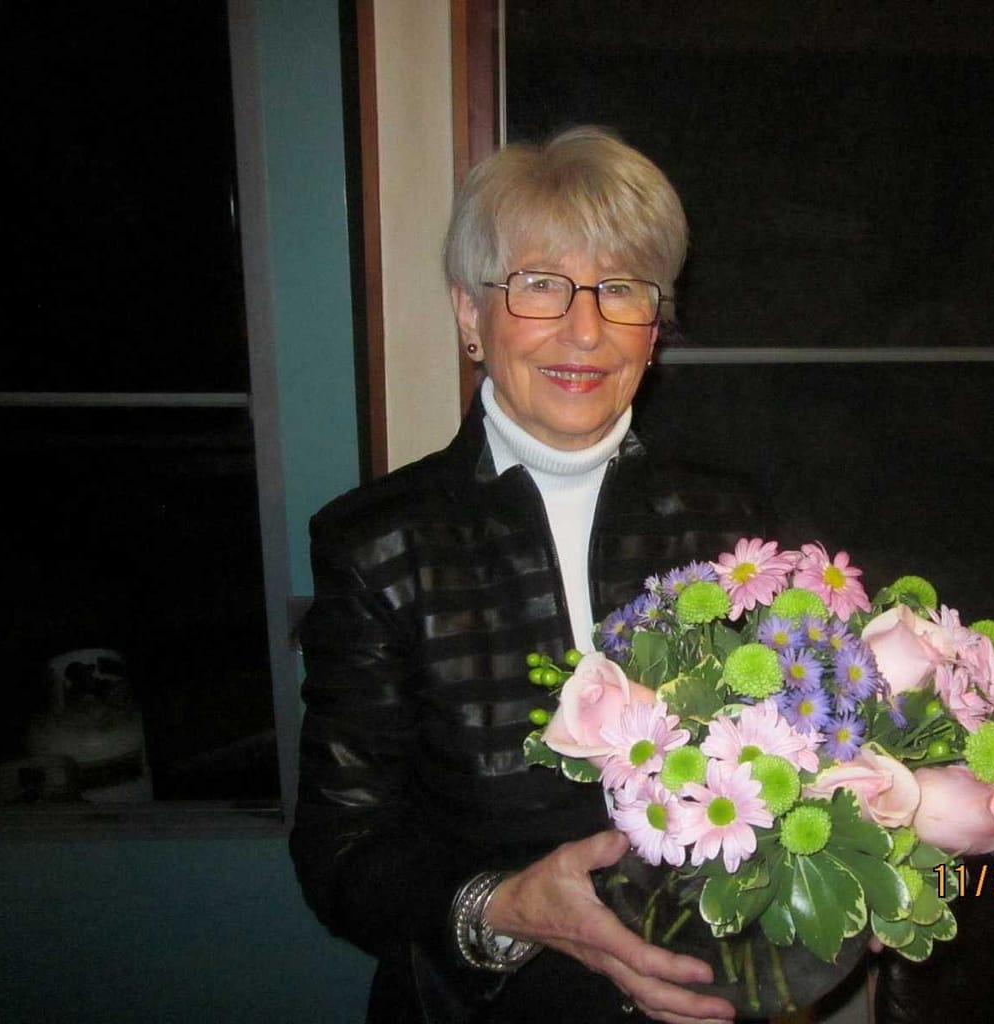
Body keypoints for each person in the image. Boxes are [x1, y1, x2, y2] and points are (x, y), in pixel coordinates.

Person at [290, 127, 764, 1024]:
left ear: (654, 327)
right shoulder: (378, 546)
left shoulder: (728, 526)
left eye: (621, 289)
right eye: (541, 285)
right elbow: (340, 851)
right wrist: (502, 909)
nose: (585, 330)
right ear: (471, 316)